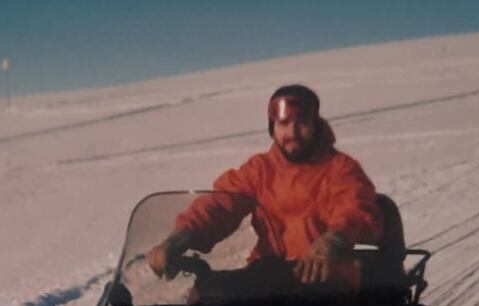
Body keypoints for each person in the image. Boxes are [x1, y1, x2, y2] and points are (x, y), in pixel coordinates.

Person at [148, 84, 382, 289]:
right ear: (273, 128)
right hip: (268, 275)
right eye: (284, 123)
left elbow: (355, 208)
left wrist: (334, 240)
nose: (292, 132)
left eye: (301, 123)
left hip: (325, 277)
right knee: (204, 301)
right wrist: (181, 237)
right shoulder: (260, 169)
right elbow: (220, 204)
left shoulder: (341, 169)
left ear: (315, 124)